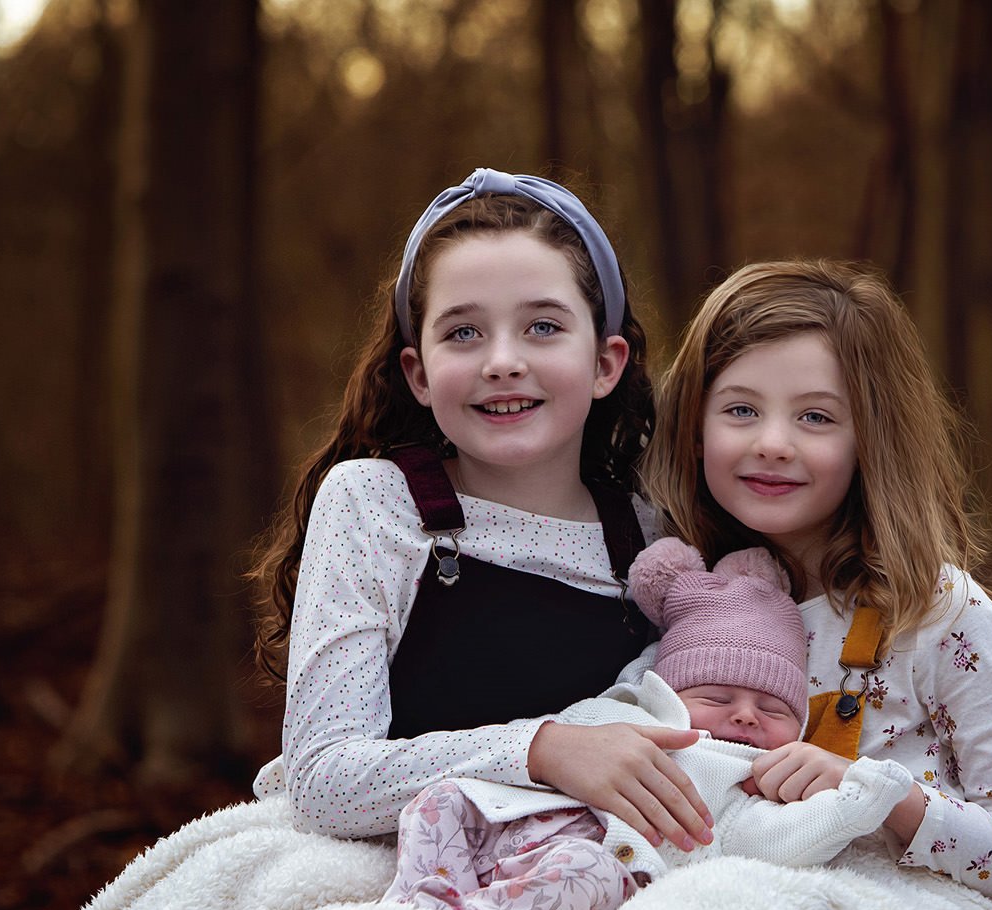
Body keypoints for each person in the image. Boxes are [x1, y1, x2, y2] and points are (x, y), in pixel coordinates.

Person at [247, 168, 714, 855]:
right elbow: (323, 783)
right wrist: (544, 751)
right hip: (397, 877)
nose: (502, 361)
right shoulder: (374, 505)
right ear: (419, 373)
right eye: (463, 333)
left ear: (606, 363)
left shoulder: (654, 539)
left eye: (544, 326)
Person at [633, 258, 992, 910]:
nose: (774, 443)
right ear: (696, 430)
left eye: (815, 417)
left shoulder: (938, 617)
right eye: (741, 409)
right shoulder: (678, 602)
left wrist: (880, 796)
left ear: (872, 439)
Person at [381, 537, 913, 910]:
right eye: (718, 699)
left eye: (772, 708)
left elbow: (782, 840)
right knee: (442, 799)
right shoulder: (620, 712)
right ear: (669, 692)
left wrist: (862, 796)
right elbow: (533, 742)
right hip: (511, 827)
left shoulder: (742, 788)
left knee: (581, 872)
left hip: (601, 863)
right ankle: (412, 907)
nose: (747, 716)